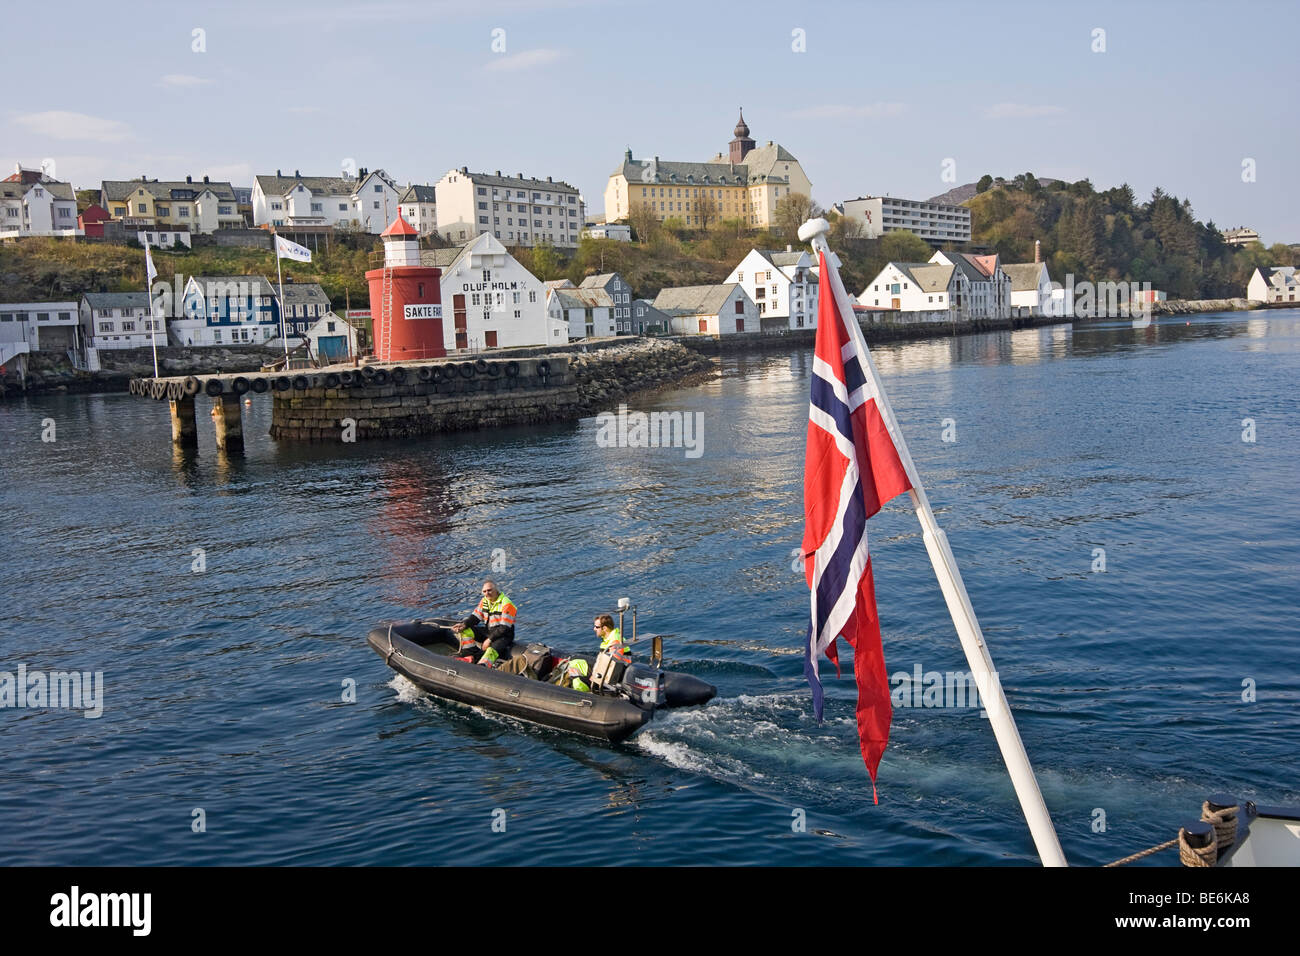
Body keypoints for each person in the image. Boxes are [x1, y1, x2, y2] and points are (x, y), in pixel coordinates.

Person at [455, 579, 517, 667]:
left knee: (491, 650)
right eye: (484, 591)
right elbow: (475, 617)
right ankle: (470, 656)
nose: (487, 593)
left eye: (489, 590)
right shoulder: (484, 601)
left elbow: (504, 628)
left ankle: (483, 665)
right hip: (489, 631)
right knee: (466, 630)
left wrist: (489, 640)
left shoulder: (506, 604)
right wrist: (463, 625)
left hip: (504, 635)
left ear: (496, 590)